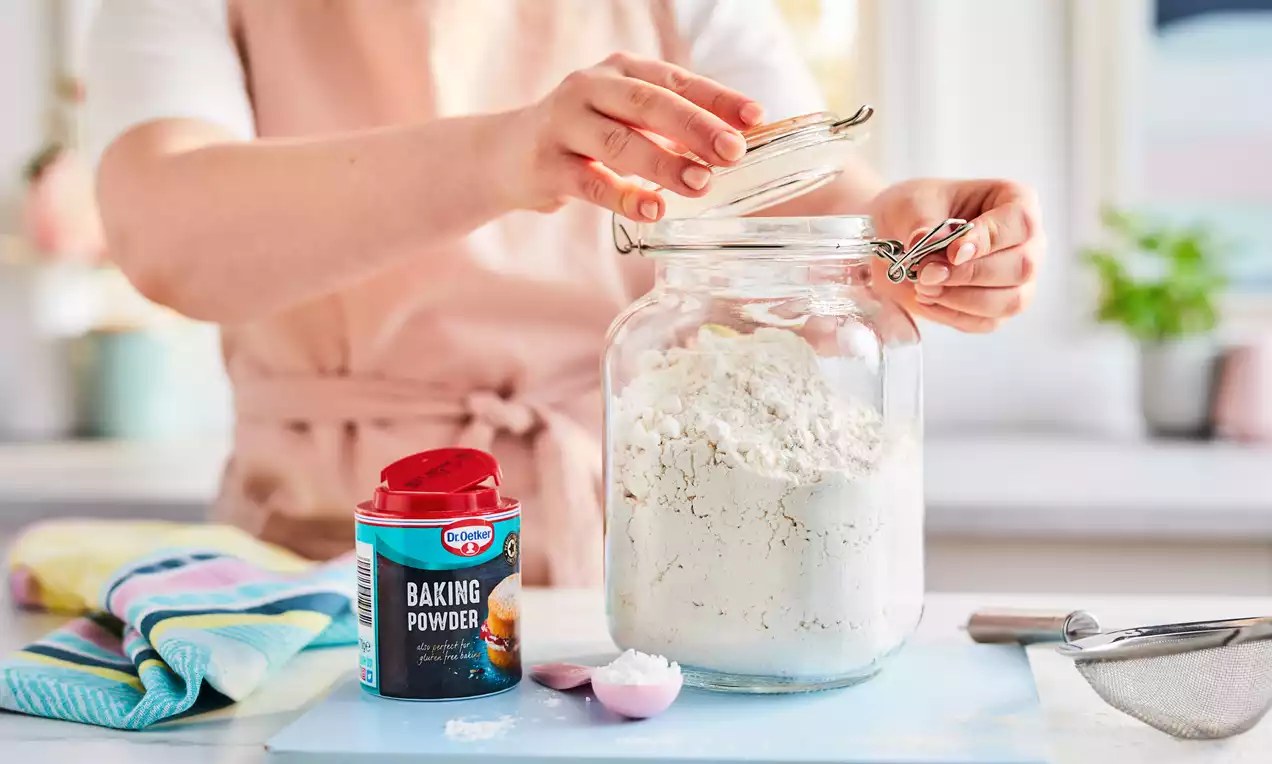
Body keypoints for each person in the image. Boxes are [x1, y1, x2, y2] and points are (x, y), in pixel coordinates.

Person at [86, 0, 1044, 586]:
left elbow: (797, 201)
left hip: (649, 551)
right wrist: (505, 155)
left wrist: (894, 239)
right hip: (317, 574)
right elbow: (167, 235)